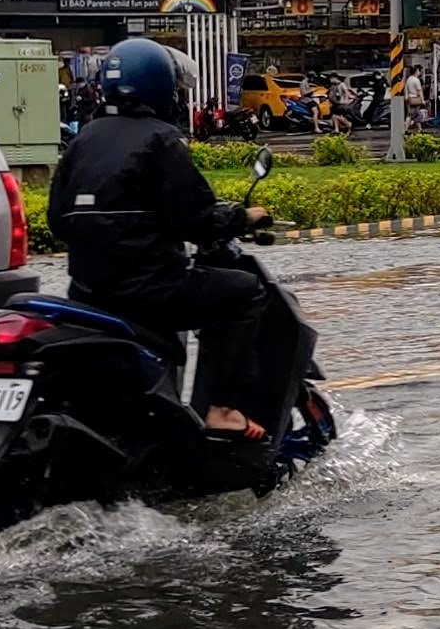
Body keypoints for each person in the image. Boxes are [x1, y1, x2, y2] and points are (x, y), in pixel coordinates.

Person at [49, 38, 298, 442]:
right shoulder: (161, 140)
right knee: (247, 294)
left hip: (89, 294)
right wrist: (243, 217)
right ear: (160, 86)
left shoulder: (82, 141)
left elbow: (58, 221)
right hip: (151, 291)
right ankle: (222, 408)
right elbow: (196, 219)